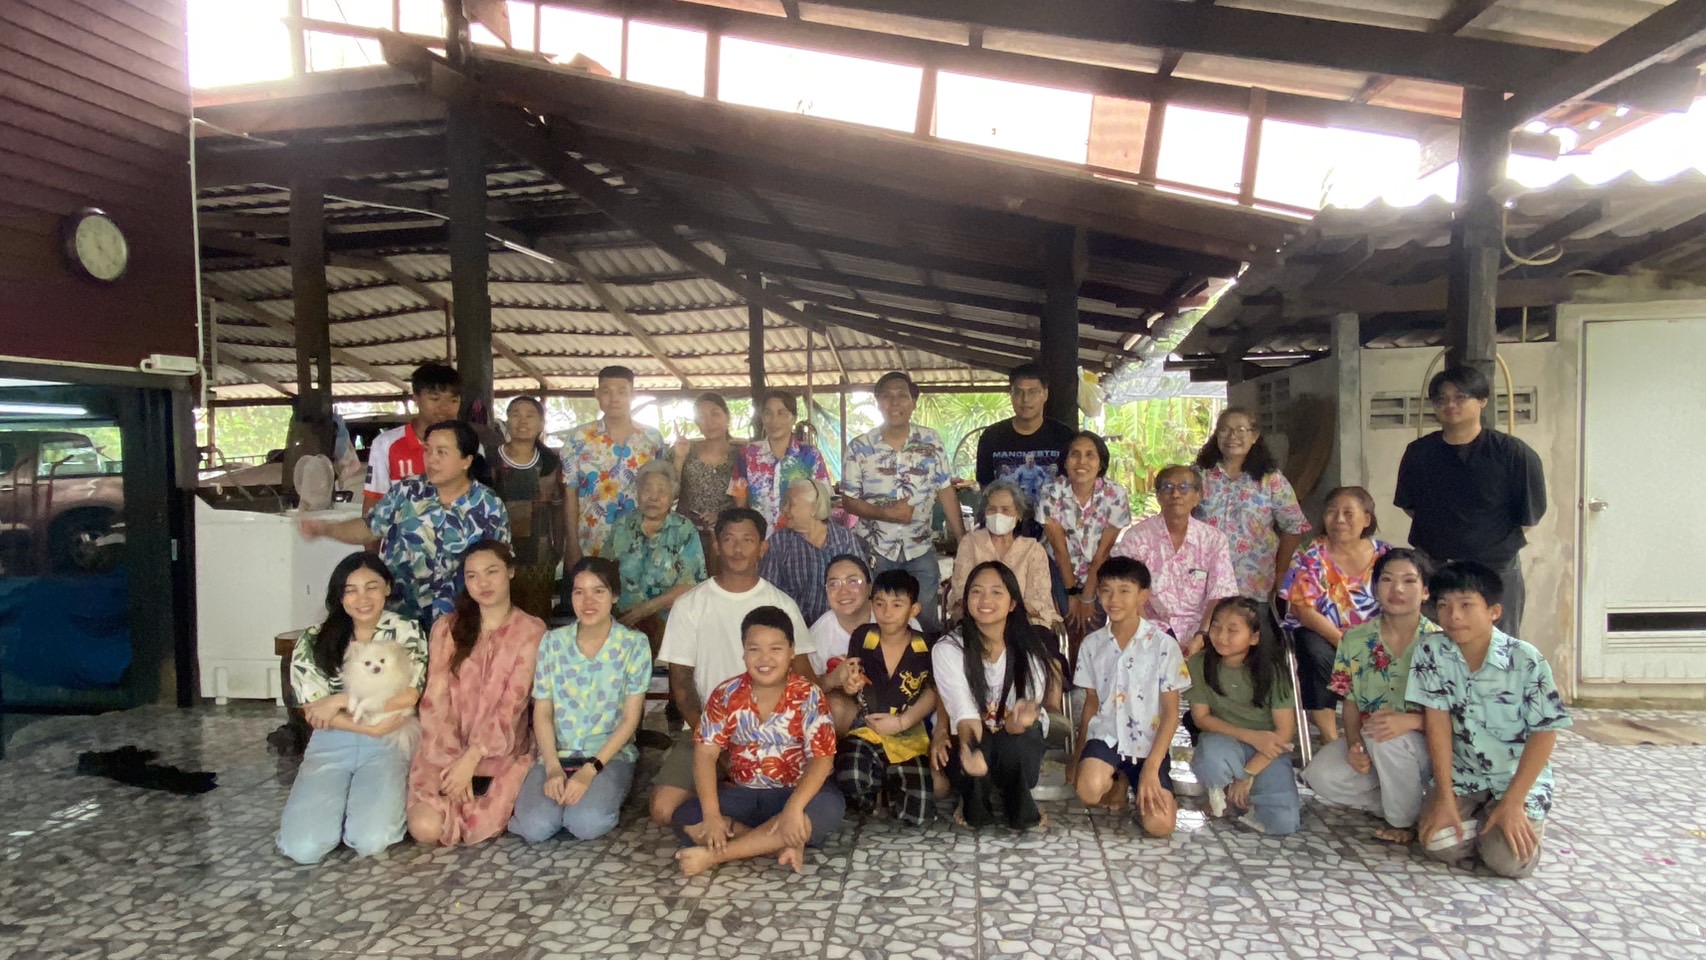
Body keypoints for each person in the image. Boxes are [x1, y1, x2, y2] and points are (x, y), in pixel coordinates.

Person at [650, 508, 816, 825]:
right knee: (663, 809)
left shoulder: (781, 604)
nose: (738, 549)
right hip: (704, 729)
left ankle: (735, 821)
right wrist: (716, 744)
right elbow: (681, 687)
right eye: (729, 540)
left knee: (803, 804)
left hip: (772, 731)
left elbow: (804, 678)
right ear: (716, 546)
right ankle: (745, 825)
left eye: (748, 540)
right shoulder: (690, 605)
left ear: (762, 547)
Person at [1410, 561, 1571, 879]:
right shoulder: (1431, 651)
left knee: (1509, 862)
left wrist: (1513, 801)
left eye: (1466, 605)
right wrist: (1444, 796)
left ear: (1494, 611)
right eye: (1443, 606)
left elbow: (1545, 733)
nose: (1454, 616)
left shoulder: (1525, 659)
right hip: (1465, 776)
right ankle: (1484, 825)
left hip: (1514, 778)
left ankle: (1506, 822)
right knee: (1436, 844)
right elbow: (1437, 723)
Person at [276, 553, 428, 864]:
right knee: (303, 847)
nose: (362, 598)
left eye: (371, 587)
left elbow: (408, 697)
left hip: (389, 740)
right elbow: (313, 712)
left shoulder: (407, 632)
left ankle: (359, 812)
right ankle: (331, 812)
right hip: (334, 740)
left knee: (372, 839)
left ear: (387, 588)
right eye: (351, 590)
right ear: (339, 596)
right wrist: (366, 726)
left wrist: (339, 700)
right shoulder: (313, 639)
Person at [671, 606, 845, 876]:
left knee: (828, 807)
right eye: (754, 649)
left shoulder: (809, 695)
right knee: (687, 815)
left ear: (791, 652)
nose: (765, 659)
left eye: (775, 649)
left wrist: (794, 808)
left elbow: (822, 760)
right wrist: (712, 816)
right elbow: (705, 755)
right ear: (743, 652)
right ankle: (780, 843)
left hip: (793, 793)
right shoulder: (725, 694)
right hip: (744, 794)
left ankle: (716, 855)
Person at [302, 420, 509, 627]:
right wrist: (325, 528)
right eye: (427, 450)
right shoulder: (407, 492)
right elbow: (369, 528)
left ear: (466, 461)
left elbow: (500, 563)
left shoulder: (488, 505)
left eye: (441, 452)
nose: (432, 459)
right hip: (401, 616)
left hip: (460, 620)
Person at [407, 541, 546, 847]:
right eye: (472, 576)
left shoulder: (531, 631)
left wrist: (472, 758)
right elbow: (434, 700)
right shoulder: (447, 628)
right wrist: (454, 762)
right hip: (444, 750)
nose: (483, 583)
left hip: (499, 750)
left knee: (478, 824)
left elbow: (512, 707)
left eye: (491, 572)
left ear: (510, 572)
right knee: (425, 827)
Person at [1394, 365, 1546, 635]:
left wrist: (1486, 543)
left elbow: (1529, 515)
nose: (1450, 405)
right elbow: (1411, 506)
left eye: (1460, 397)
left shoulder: (1513, 453)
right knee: (1433, 646)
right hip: (1435, 567)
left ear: (1482, 400)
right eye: (1441, 399)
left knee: (1498, 648)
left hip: (1494, 569)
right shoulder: (1419, 453)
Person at [509, 558, 651, 843]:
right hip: (557, 754)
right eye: (579, 592)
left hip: (607, 758)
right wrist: (552, 767)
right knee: (535, 827)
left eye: (598, 591)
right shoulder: (552, 643)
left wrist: (589, 771)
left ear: (614, 596)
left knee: (586, 822)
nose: (588, 601)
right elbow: (543, 712)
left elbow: (629, 720)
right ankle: (557, 808)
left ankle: (600, 797)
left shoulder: (633, 645)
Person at [1302, 549, 1438, 844]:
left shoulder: (1440, 643)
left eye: (1409, 581)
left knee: (1384, 735)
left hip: (1429, 748)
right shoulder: (1355, 639)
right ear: (1375, 589)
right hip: (1375, 740)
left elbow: (1457, 714)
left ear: (1426, 591)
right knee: (1320, 775)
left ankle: (1402, 822)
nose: (1397, 589)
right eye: (1387, 580)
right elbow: (1351, 702)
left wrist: (1411, 721)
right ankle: (1406, 805)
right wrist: (1354, 746)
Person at [929, 562, 1060, 830]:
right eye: (976, 592)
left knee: (1020, 742)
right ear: (966, 602)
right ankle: (973, 799)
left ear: (1013, 603)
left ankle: (1018, 802)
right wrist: (973, 750)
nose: (985, 600)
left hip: (1014, 738)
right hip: (972, 734)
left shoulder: (1030, 651)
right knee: (975, 755)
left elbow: (1018, 721)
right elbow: (964, 714)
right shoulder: (948, 649)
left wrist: (1018, 722)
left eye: (996, 592)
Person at [1068, 556, 1188, 838]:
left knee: (1160, 826)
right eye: (1106, 590)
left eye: (1124, 590)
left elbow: (1171, 713)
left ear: (1143, 596)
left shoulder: (1164, 646)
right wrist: (1077, 756)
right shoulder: (1092, 644)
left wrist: (1151, 769)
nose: (1114, 599)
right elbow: (1091, 705)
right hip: (1107, 738)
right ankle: (1118, 781)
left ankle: (1140, 783)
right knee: (1088, 790)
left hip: (1148, 746)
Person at [841, 372, 966, 634]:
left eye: (902, 395)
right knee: (878, 621)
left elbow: (946, 492)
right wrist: (888, 514)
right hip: (875, 550)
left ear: (913, 402)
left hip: (920, 548)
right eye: (887, 396)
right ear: (878, 402)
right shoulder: (860, 447)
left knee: (926, 621)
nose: (894, 402)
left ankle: (927, 660)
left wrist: (963, 541)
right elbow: (849, 501)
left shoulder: (931, 441)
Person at [1279, 485, 1391, 744]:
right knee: (1312, 649)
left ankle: (1379, 729)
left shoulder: (1385, 555)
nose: (1339, 519)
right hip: (1324, 635)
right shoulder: (1311, 553)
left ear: (1367, 519)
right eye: (1332, 512)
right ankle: (1330, 737)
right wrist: (1344, 641)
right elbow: (1302, 609)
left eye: (1348, 513)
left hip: (1374, 637)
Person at [1188, 597, 1300, 835]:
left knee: (1283, 824)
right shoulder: (1199, 663)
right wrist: (1251, 736)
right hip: (1226, 740)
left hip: (1267, 750)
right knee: (1211, 756)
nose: (1221, 636)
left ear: (1254, 637)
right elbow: (1201, 719)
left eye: (1232, 630)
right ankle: (1220, 790)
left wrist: (1248, 774)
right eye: (1216, 627)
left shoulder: (1273, 671)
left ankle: (1248, 796)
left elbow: (1284, 732)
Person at [833, 569, 937, 825]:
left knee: (919, 814)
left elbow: (933, 691)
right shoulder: (863, 636)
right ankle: (879, 789)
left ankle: (887, 784)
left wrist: (902, 722)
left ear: (914, 610)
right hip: (866, 728)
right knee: (851, 778)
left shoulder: (927, 646)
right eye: (879, 604)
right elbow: (853, 673)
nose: (887, 612)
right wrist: (850, 684)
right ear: (872, 605)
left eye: (897, 605)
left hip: (907, 733)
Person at [1111, 465, 1237, 656]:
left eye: (1184, 487)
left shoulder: (1214, 539)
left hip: (1202, 634)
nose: (1175, 494)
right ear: (1158, 496)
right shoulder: (1136, 537)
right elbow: (1126, 589)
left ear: (1197, 496)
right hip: (1147, 630)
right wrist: (1149, 635)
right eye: (1167, 487)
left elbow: (1220, 593)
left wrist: (1201, 636)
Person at [1194, 407, 1310, 601]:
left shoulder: (1271, 479)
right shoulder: (1198, 475)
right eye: (1224, 430)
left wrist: (1281, 573)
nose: (1232, 436)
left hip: (1254, 584)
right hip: (1203, 582)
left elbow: (1294, 527)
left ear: (1254, 436)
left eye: (1241, 430)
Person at [562, 365, 668, 567]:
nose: (614, 398)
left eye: (622, 391)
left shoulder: (652, 439)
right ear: (597, 394)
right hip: (590, 544)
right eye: (606, 391)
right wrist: (573, 545)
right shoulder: (578, 438)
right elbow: (570, 494)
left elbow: (663, 491)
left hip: (641, 544)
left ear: (633, 395)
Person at [603, 459, 708, 656]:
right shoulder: (622, 526)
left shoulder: (683, 529)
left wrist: (644, 610)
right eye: (647, 489)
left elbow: (690, 584)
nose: (653, 497)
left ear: (672, 497)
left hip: (670, 626)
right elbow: (603, 575)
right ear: (638, 493)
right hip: (622, 624)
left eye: (662, 491)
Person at [1038, 430, 1131, 639]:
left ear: (1101, 463)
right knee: (1071, 624)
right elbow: (1060, 551)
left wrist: (1088, 596)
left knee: (1093, 628)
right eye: (1075, 454)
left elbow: (1103, 553)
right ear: (1065, 461)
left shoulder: (1115, 494)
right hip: (1060, 568)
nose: (1082, 461)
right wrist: (1072, 594)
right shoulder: (1051, 493)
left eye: (1090, 455)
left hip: (1099, 568)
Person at [948, 478, 1060, 630]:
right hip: (978, 622)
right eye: (992, 509)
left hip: (1024, 625)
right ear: (985, 513)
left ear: (1018, 515)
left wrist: (1004, 617)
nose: (998, 515)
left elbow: (1038, 600)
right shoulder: (970, 543)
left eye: (1005, 510)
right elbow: (961, 593)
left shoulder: (1033, 550)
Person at [491, 395, 565, 620]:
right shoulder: (491, 461)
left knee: (536, 619)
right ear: (507, 421)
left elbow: (558, 509)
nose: (522, 421)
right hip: (498, 555)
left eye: (530, 415)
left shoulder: (551, 463)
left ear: (541, 424)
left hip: (539, 558)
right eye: (515, 414)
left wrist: (558, 548)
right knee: (499, 618)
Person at [975, 362, 1075, 520]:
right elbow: (986, 487)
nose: (1025, 399)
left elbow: (1074, 485)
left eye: (1032, 392)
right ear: (1011, 394)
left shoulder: (1064, 436)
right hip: (1007, 527)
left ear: (1045, 394)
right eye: (1018, 392)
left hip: (1054, 525)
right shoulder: (992, 437)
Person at [759, 478, 863, 626]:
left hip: (839, 625)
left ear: (814, 508)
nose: (784, 509)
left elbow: (862, 585)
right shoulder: (779, 542)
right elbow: (768, 593)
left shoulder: (843, 538)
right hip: (794, 628)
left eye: (791, 504)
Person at [364, 362, 463, 513]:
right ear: (415, 398)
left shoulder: (468, 444)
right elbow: (372, 507)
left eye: (454, 400)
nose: (445, 407)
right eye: (435, 399)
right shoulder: (385, 444)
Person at [732, 389, 831, 538]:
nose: (774, 420)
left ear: (794, 418)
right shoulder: (747, 455)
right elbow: (740, 505)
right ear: (762, 417)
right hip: (760, 541)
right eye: (768, 413)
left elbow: (822, 504)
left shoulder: (810, 456)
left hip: (800, 541)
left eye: (781, 413)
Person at [672, 392, 738, 573]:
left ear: (727, 417)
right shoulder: (683, 450)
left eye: (715, 413)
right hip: (685, 536)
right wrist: (679, 459)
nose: (709, 422)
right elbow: (670, 494)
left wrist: (722, 516)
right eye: (701, 417)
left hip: (726, 538)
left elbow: (746, 501)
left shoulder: (742, 456)